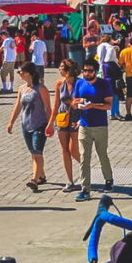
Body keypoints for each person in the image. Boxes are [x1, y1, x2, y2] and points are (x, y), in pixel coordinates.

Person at [7, 62, 53, 192]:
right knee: (33, 153)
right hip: (26, 125)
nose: (19, 74)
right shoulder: (22, 89)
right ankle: (42, 175)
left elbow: (48, 108)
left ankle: (34, 180)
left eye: (20, 71)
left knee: (37, 153)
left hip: (40, 125)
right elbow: (17, 107)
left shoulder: (41, 88)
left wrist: (51, 125)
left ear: (28, 73)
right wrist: (11, 122)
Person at [72, 59, 114, 201]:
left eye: (90, 71)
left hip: (100, 126)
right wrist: (78, 104)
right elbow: (73, 102)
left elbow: (108, 105)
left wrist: (93, 105)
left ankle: (108, 179)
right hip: (84, 125)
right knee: (84, 158)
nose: (87, 73)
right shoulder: (79, 83)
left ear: (96, 71)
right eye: (85, 70)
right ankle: (85, 189)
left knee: (102, 155)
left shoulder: (104, 84)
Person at [51, 59, 82, 192]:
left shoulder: (80, 83)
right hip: (62, 117)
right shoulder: (59, 83)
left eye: (62, 67)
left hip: (76, 117)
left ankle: (85, 171)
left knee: (74, 150)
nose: (59, 69)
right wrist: (50, 123)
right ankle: (69, 181)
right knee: (64, 150)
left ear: (69, 70)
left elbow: (84, 100)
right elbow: (56, 103)